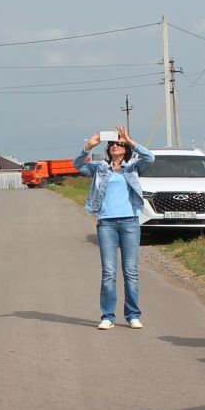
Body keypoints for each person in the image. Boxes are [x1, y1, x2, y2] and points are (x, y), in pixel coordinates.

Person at [73, 127, 156, 330]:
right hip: (107, 224)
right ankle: (108, 316)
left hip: (130, 222)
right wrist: (89, 146)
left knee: (131, 271)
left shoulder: (133, 167)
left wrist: (129, 139)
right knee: (109, 272)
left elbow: (150, 158)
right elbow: (77, 165)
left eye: (119, 144)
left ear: (126, 149)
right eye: (112, 144)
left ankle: (133, 315)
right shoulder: (100, 168)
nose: (115, 146)